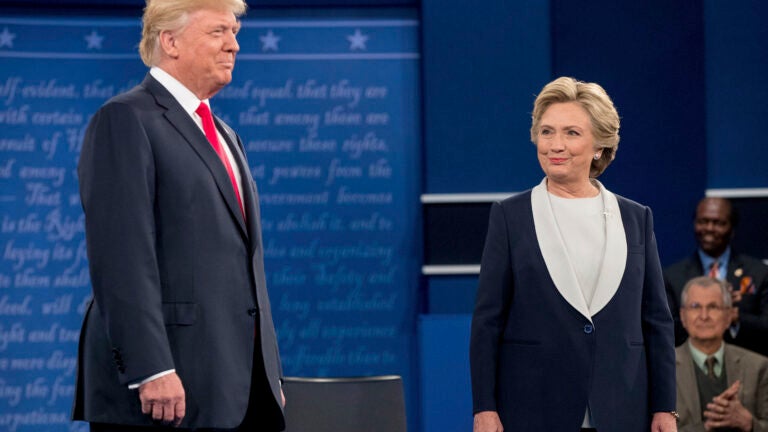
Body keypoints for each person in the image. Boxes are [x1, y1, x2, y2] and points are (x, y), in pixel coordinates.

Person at [72, 0, 285, 430]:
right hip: (164, 393)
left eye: (235, 32)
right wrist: (150, 368)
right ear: (170, 41)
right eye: (218, 32)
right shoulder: (126, 119)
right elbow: (121, 258)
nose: (234, 46)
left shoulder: (226, 135)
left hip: (234, 389)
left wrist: (267, 370)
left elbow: (243, 266)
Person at [470, 77, 678, 432]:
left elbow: (656, 321)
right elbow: (487, 320)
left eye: (571, 133)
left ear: (599, 145)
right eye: (547, 132)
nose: (556, 145)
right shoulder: (510, 216)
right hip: (533, 407)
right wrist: (484, 408)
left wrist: (665, 408)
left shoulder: (635, 217)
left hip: (622, 407)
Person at [665, 197, 768, 356]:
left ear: (732, 229)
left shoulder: (759, 273)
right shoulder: (672, 276)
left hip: (746, 366)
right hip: (688, 368)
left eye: (718, 223)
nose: (709, 228)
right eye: (703, 221)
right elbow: (666, 331)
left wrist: (735, 316)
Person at [675, 276, 768, 431]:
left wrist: (749, 423)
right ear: (683, 316)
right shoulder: (661, 369)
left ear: (729, 316)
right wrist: (705, 427)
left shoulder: (759, 367)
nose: (704, 316)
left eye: (713, 307)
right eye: (695, 306)